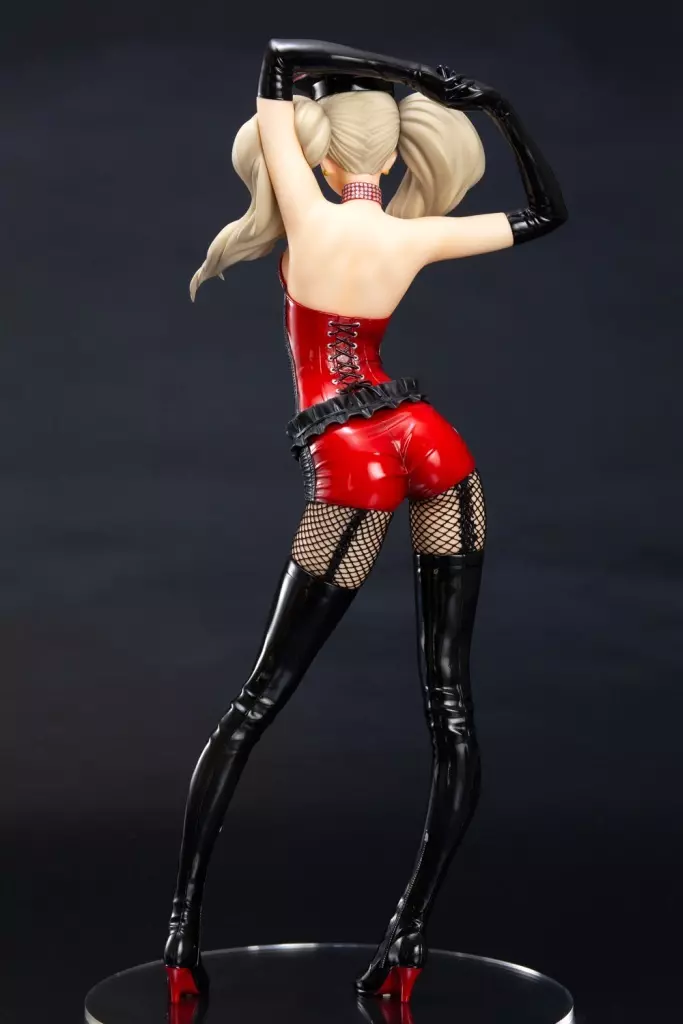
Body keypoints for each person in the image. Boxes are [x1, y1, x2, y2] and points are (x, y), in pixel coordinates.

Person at [163, 38, 568, 1007]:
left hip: (348, 453)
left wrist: (404, 78)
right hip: (430, 439)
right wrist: (493, 104)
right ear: (389, 158)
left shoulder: (304, 212)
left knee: (257, 701)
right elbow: (546, 213)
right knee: (450, 704)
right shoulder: (414, 237)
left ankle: (180, 935)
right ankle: (407, 937)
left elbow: (279, 54)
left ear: (322, 152)